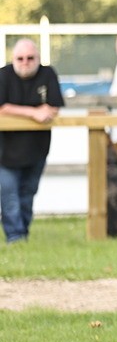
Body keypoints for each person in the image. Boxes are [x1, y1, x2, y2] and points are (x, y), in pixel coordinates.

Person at [0, 39, 64, 243]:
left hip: (37, 150)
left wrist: (38, 112)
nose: (25, 62)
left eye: (30, 58)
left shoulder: (48, 74)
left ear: (38, 58)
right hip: (5, 152)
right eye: (20, 58)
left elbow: (54, 106)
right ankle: (15, 237)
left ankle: (23, 234)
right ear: (13, 59)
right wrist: (34, 112)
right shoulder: (3, 75)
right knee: (9, 198)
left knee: (27, 196)